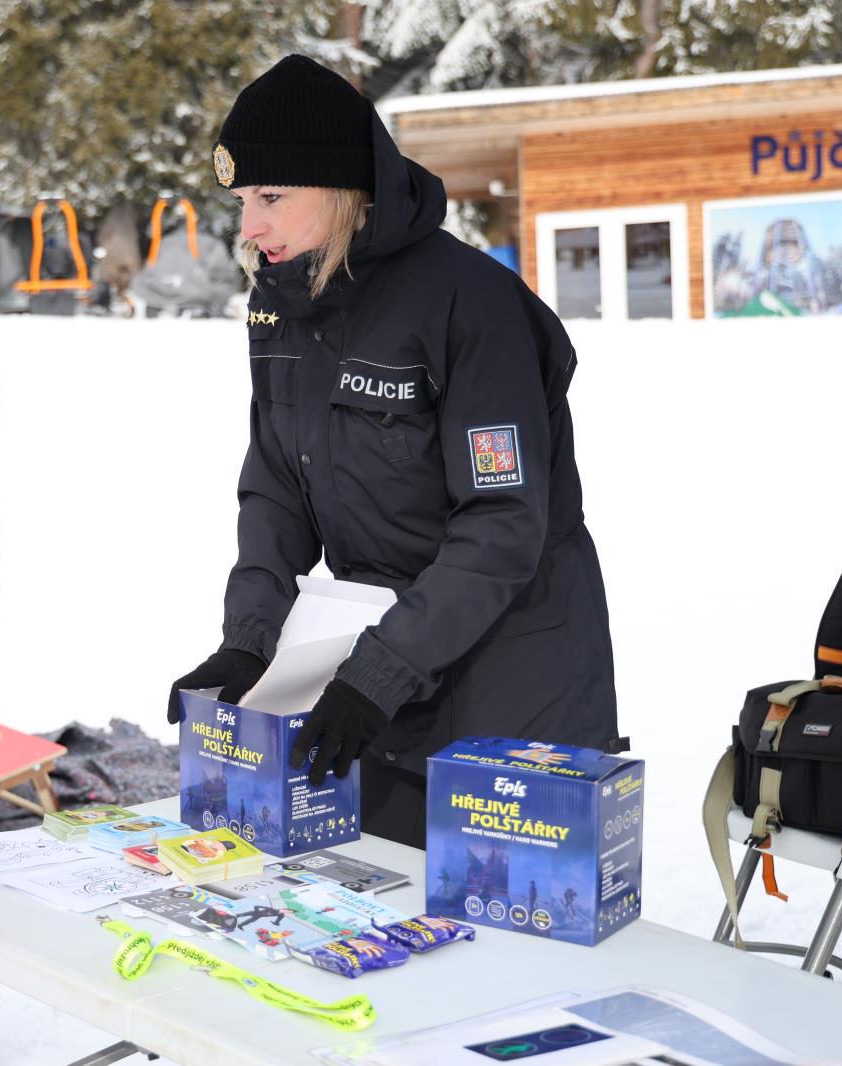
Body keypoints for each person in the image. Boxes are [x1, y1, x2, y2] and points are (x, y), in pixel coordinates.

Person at [167, 55, 621, 848]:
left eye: (271, 198)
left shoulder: (469, 304)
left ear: (344, 188)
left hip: (508, 684)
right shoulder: (281, 307)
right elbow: (275, 485)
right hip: (376, 677)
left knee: (505, 955)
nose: (249, 226)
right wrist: (250, 642)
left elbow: (503, 524)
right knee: (381, 930)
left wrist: (379, 675)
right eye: (242, 202)